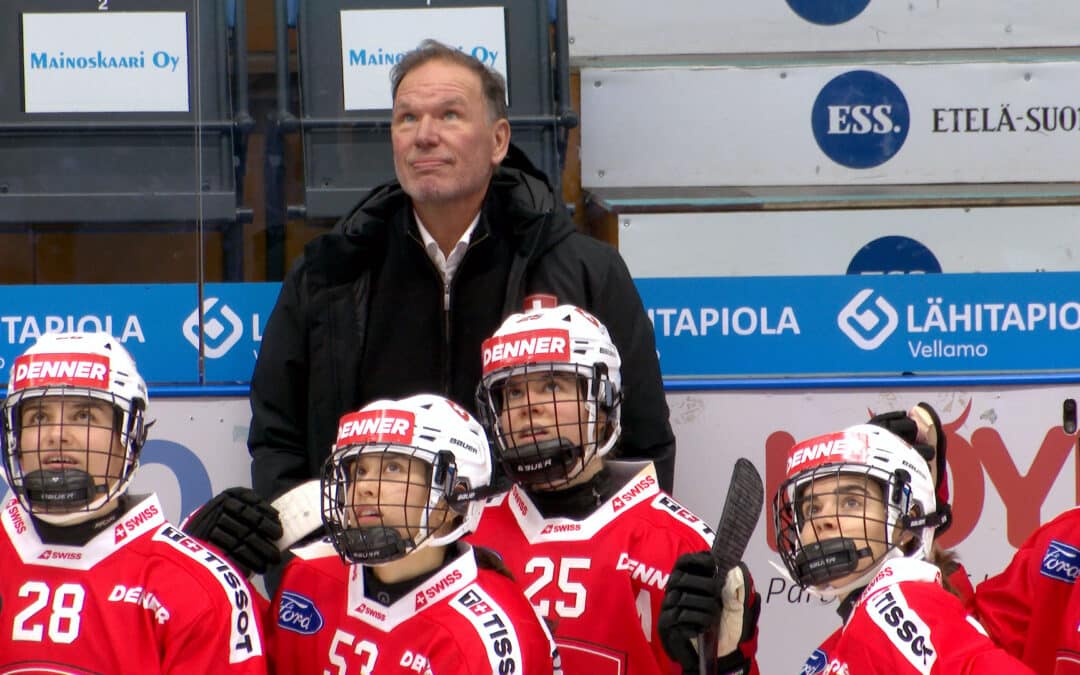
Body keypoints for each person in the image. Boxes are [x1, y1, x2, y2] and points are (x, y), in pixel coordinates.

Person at [249, 38, 674, 517]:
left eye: (449, 115)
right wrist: (310, 550)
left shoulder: (585, 270)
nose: (424, 135)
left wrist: (597, 550)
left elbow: (642, 445)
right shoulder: (329, 274)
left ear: (498, 141)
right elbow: (278, 443)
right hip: (370, 557)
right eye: (407, 118)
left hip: (543, 556)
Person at [467, 304, 759, 674]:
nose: (528, 406)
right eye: (511, 393)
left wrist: (728, 662)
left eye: (552, 386)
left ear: (603, 400)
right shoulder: (465, 534)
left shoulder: (680, 546)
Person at [663, 422, 1031, 674]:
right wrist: (729, 662)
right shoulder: (844, 639)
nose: (823, 520)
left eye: (851, 502)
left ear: (909, 522)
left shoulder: (895, 603)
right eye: (811, 509)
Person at [0, 332, 267, 673]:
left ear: (130, 435)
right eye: (38, 417)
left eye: (84, 416)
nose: (57, 435)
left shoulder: (197, 586)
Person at [265, 393, 561, 674]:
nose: (364, 487)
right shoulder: (307, 575)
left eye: (393, 468)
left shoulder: (487, 639)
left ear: (454, 499)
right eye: (359, 471)